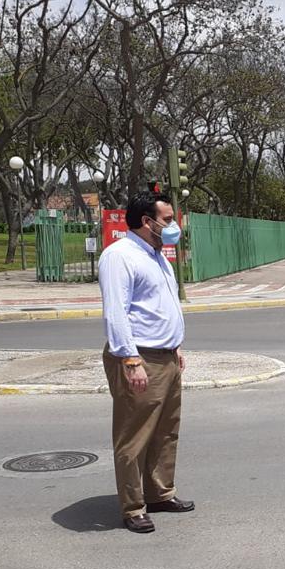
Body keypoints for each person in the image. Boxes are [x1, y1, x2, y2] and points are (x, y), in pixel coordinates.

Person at [98, 191, 194, 533]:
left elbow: (159, 308)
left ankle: (159, 493)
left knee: (166, 432)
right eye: (167, 219)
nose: (173, 225)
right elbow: (117, 314)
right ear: (146, 221)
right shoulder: (119, 256)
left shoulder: (157, 255)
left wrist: (175, 345)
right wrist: (130, 359)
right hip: (140, 358)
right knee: (134, 436)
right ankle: (133, 506)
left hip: (166, 357)